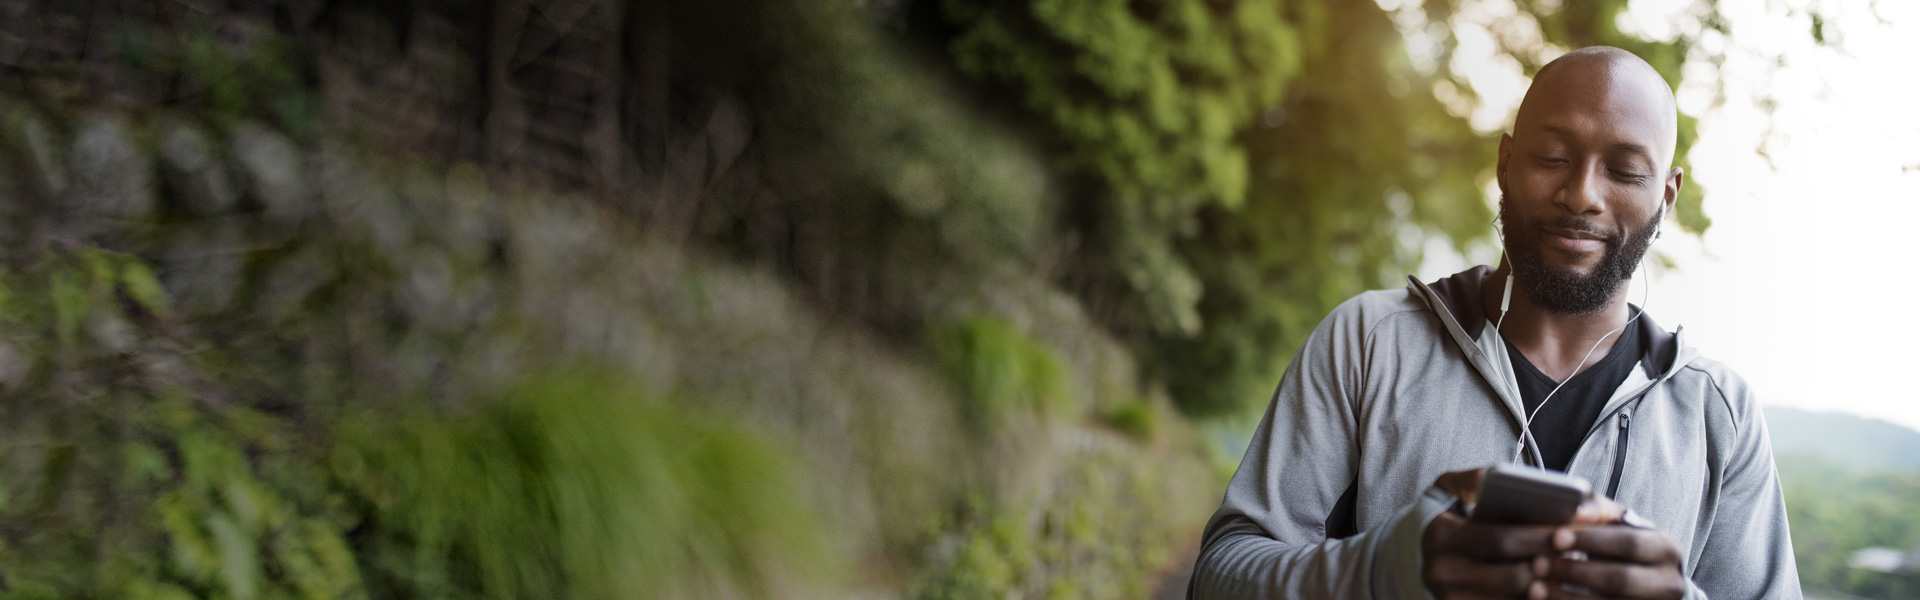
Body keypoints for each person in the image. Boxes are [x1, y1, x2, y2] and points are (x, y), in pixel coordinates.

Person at [1187, 47, 1799, 599]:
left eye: (1625, 171)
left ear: (1665, 197)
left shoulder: (1719, 413)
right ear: (1506, 163)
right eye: (1552, 157)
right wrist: (1382, 570)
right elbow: (1218, 574)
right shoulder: (1370, 342)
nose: (1582, 194)